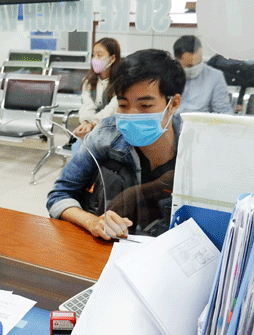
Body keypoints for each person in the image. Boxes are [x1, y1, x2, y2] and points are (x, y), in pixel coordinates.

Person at [47, 49, 186, 240]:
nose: (131, 115)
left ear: (173, 104)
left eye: (145, 106)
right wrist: (92, 221)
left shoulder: (193, 144)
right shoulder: (105, 136)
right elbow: (59, 195)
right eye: (123, 105)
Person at [72, 37, 121, 141]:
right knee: (78, 146)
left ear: (112, 58)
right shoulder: (88, 81)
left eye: (100, 55)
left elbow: (112, 109)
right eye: (93, 55)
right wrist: (85, 122)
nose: (95, 59)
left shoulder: (121, 82)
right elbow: (87, 105)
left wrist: (93, 123)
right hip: (92, 129)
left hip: (113, 129)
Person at [173, 35, 233, 114]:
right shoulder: (167, 75)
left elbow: (224, 113)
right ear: (177, 60)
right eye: (190, 66)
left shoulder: (215, 77)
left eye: (199, 62)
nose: (195, 67)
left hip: (201, 123)